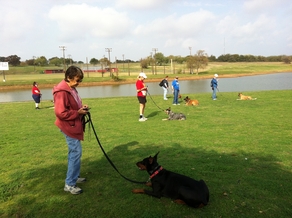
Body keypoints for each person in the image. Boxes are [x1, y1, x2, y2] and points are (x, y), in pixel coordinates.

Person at [52, 66, 89, 195]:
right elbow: (60, 112)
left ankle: (74, 176)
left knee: (73, 153)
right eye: (77, 80)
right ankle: (69, 184)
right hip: (69, 126)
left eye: (80, 81)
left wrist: (81, 108)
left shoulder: (71, 88)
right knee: (75, 153)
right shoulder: (61, 92)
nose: (79, 83)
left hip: (73, 124)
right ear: (68, 77)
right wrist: (77, 113)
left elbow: (73, 105)